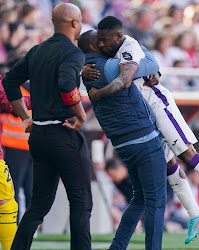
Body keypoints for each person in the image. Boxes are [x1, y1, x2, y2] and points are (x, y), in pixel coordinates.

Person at [84, 15, 199, 244]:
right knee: (169, 164)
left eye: (105, 40)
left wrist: (99, 94)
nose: (101, 44)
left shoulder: (129, 46)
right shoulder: (112, 49)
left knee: (187, 154)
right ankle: (195, 214)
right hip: (146, 113)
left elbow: (126, 79)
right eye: (98, 41)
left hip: (159, 103)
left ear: (119, 36)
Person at [2, 3, 93, 250]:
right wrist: (81, 115)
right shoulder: (73, 53)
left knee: (38, 204)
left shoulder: (37, 50)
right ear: (75, 23)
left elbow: (10, 81)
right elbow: (66, 85)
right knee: (81, 201)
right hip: (63, 134)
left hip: (38, 135)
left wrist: (24, 117)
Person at [78, 30, 167, 250]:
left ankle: (116, 248)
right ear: (93, 47)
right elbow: (150, 62)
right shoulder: (109, 66)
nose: (104, 43)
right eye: (101, 41)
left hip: (123, 144)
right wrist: (128, 42)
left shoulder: (89, 71)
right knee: (156, 200)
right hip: (143, 138)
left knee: (140, 199)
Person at [0, 75, 30, 250]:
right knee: (7, 204)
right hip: (18, 146)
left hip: (18, 146)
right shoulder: (21, 89)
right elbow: (6, 101)